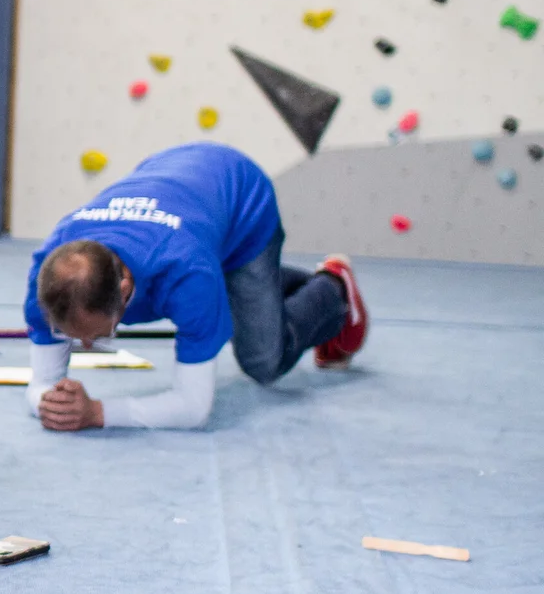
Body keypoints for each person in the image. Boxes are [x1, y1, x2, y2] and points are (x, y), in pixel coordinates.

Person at [23, 142, 367, 431]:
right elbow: (40, 384)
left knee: (263, 362)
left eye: (98, 333)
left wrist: (98, 413)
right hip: (175, 180)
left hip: (241, 198)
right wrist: (49, 402)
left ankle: (334, 288)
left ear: (125, 290)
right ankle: (254, 292)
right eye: (67, 332)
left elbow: (193, 408)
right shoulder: (50, 275)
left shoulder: (187, 274)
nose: (82, 345)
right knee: (238, 298)